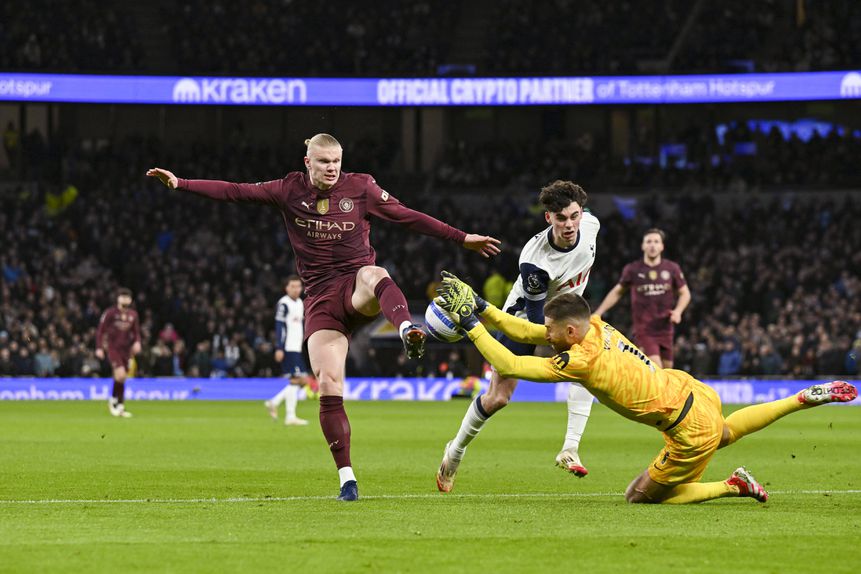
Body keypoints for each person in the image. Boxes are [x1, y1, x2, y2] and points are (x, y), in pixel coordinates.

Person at [146, 133, 500, 501]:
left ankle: (408, 329)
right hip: (322, 301)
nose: (332, 169)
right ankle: (347, 479)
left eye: (336, 162)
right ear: (308, 162)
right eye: (324, 162)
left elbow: (407, 217)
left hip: (355, 288)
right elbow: (235, 191)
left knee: (375, 273)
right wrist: (180, 183)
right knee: (329, 383)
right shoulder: (287, 190)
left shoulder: (361, 187)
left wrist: (461, 238)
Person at [434, 274, 857, 503]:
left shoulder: (581, 361)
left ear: (568, 331)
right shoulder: (595, 324)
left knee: (640, 495)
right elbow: (526, 328)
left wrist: (470, 325)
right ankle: (802, 398)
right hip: (693, 389)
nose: (542, 334)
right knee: (724, 432)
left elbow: (509, 363)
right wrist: (486, 309)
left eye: (550, 330)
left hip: (683, 428)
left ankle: (732, 486)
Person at [437, 181, 600, 493]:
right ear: (548, 218)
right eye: (562, 218)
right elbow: (540, 323)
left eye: (574, 216)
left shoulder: (591, 224)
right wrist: (556, 350)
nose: (570, 225)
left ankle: (570, 448)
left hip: (571, 317)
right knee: (498, 397)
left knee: (587, 366)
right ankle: (454, 451)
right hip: (524, 318)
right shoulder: (535, 262)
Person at [594, 228, 691, 369]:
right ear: (643, 246)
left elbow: (685, 293)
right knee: (657, 370)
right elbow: (617, 291)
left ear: (662, 246)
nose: (652, 245)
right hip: (644, 330)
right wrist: (599, 312)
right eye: (649, 241)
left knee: (668, 372)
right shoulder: (633, 269)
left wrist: (678, 311)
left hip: (666, 329)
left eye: (656, 242)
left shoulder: (672, 268)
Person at [265, 276, 310, 426]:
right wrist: (279, 347)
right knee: (300, 380)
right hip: (288, 347)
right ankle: (289, 415)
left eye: (298, 286)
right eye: (293, 286)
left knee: (298, 381)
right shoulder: (284, 304)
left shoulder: (299, 303)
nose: (296, 289)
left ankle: (274, 402)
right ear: (287, 288)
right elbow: (280, 327)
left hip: (296, 347)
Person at [95, 287, 141, 418]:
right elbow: (100, 330)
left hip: (127, 350)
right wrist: (99, 347)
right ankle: (113, 401)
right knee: (120, 375)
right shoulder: (110, 313)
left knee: (122, 378)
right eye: (122, 296)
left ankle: (120, 405)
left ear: (130, 300)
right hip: (113, 348)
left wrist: (137, 342)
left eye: (127, 297)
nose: (125, 299)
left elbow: (136, 332)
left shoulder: (133, 315)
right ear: (118, 298)